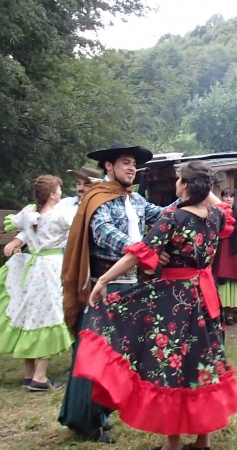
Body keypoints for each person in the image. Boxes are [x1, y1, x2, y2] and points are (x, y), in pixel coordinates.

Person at [74, 161, 237, 450]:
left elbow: (138, 255)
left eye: (179, 179)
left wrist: (103, 280)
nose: (176, 183)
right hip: (205, 298)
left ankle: (172, 445)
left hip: (174, 301)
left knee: (172, 366)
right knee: (204, 363)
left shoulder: (173, 219)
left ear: (186, 186)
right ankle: (203, 441)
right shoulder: (215, 216)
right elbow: (227, 214)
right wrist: (204, 187)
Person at [59, 142, 172, 444]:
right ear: (108, 166)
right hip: (105, 285)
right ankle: (84, 418)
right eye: (125, 162)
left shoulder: (135, 199)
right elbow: (105, 234)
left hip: (132, 285)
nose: (132, 168)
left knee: (122, 355)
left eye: (134, 164)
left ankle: (101, 413)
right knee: (97, 355)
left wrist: (192, 201)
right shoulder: (98, 198)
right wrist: (145, 251)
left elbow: (162, 214)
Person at [0, 175, 74, 391]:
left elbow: (20, 226)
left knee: (29, 315)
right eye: (59, 190)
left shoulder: (28, 213)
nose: (61, 193)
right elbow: (77, 231)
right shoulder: (59, 217)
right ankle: (40, 376)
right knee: (50, 315)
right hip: (51, 268)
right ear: (53, 194)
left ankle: (29, 374)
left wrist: (17, 240)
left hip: (32, 268)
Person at [3, 166, 101, 256]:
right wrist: (18, 241)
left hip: (90, 257)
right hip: (57, 258)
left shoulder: (101, 208)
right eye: (78, 183)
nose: (81, 188)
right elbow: (40, 225)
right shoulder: (63, 204)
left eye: (86, 185)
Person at [212, 188, 237, 325]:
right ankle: (218, 311)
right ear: (222, 198)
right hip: (219, 250)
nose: (228, 199)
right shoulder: (216, 212)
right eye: (226, 196)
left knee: (233, 278)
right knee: (217, 277)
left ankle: (230, 313)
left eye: (231, 196)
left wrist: (227, 230)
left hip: (234, 251)